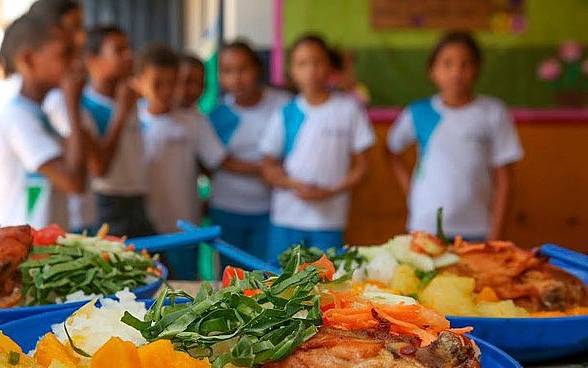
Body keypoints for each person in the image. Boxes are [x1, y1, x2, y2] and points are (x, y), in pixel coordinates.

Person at [386, 31, 523, 241]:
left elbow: (505, 179)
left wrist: (495, 235)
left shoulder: (493, 112)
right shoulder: (418, 112)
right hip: (425, 225)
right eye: (447, 63)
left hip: (477, 227)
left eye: (465, 64)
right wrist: (410, 190)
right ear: (432, 70)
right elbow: (391, 150)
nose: (457, 72)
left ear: (477, 69)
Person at [260, 34, 374, 260]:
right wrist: (292, 184)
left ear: (330, 65)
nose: (311, 70)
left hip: (329, 220)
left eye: (318, 62)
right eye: (302, 63)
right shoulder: (285, 113)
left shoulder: (349, 110)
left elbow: (362, 166)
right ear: (292, 70)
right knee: (279, 277)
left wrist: (331, 191)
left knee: (327, 278)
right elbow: (267, 167)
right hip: (287, 219)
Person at [135, 45, 226, 279]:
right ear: (139, 82)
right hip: (143, 226)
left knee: (185, 285)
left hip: (183, 226)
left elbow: (215, 162)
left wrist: (208, 198)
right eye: (158, 83)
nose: (166, 91)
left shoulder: (193, 120)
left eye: (172, 83)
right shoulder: (131, 120)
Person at [0, 13, 86, 228]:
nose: (75, 64)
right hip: (27, 241)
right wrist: (72, 105)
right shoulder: (17, 117)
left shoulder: (40, 113)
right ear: (28, 59)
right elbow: (74, 182)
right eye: (65, 54)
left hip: (45, 239)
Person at [208, 40, 291, 262]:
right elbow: (219, 161)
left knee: (267, 273)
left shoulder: (282, 105)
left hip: (271, 209)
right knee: (231, 274)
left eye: (243, 69)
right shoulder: (218, 114)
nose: (237, 78)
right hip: (227, 209)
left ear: (258, 69)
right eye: (228, 71)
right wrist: (264, 168)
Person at [26, 0, 97, 233]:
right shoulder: (52, 101)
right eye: (73, 27)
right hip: (64, 224)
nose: (81, 38)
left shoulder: (58, 96)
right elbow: (83, 174)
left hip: (69, 219)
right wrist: (72, 103)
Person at [81, 25, 154, 238]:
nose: (129, 55)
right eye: (119, 50)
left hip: (137, 197)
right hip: (109, 201)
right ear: (93, 60)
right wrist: (120, 113)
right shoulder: (86, 107)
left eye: (129, 48)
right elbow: (99, 168)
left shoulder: (130, 99)